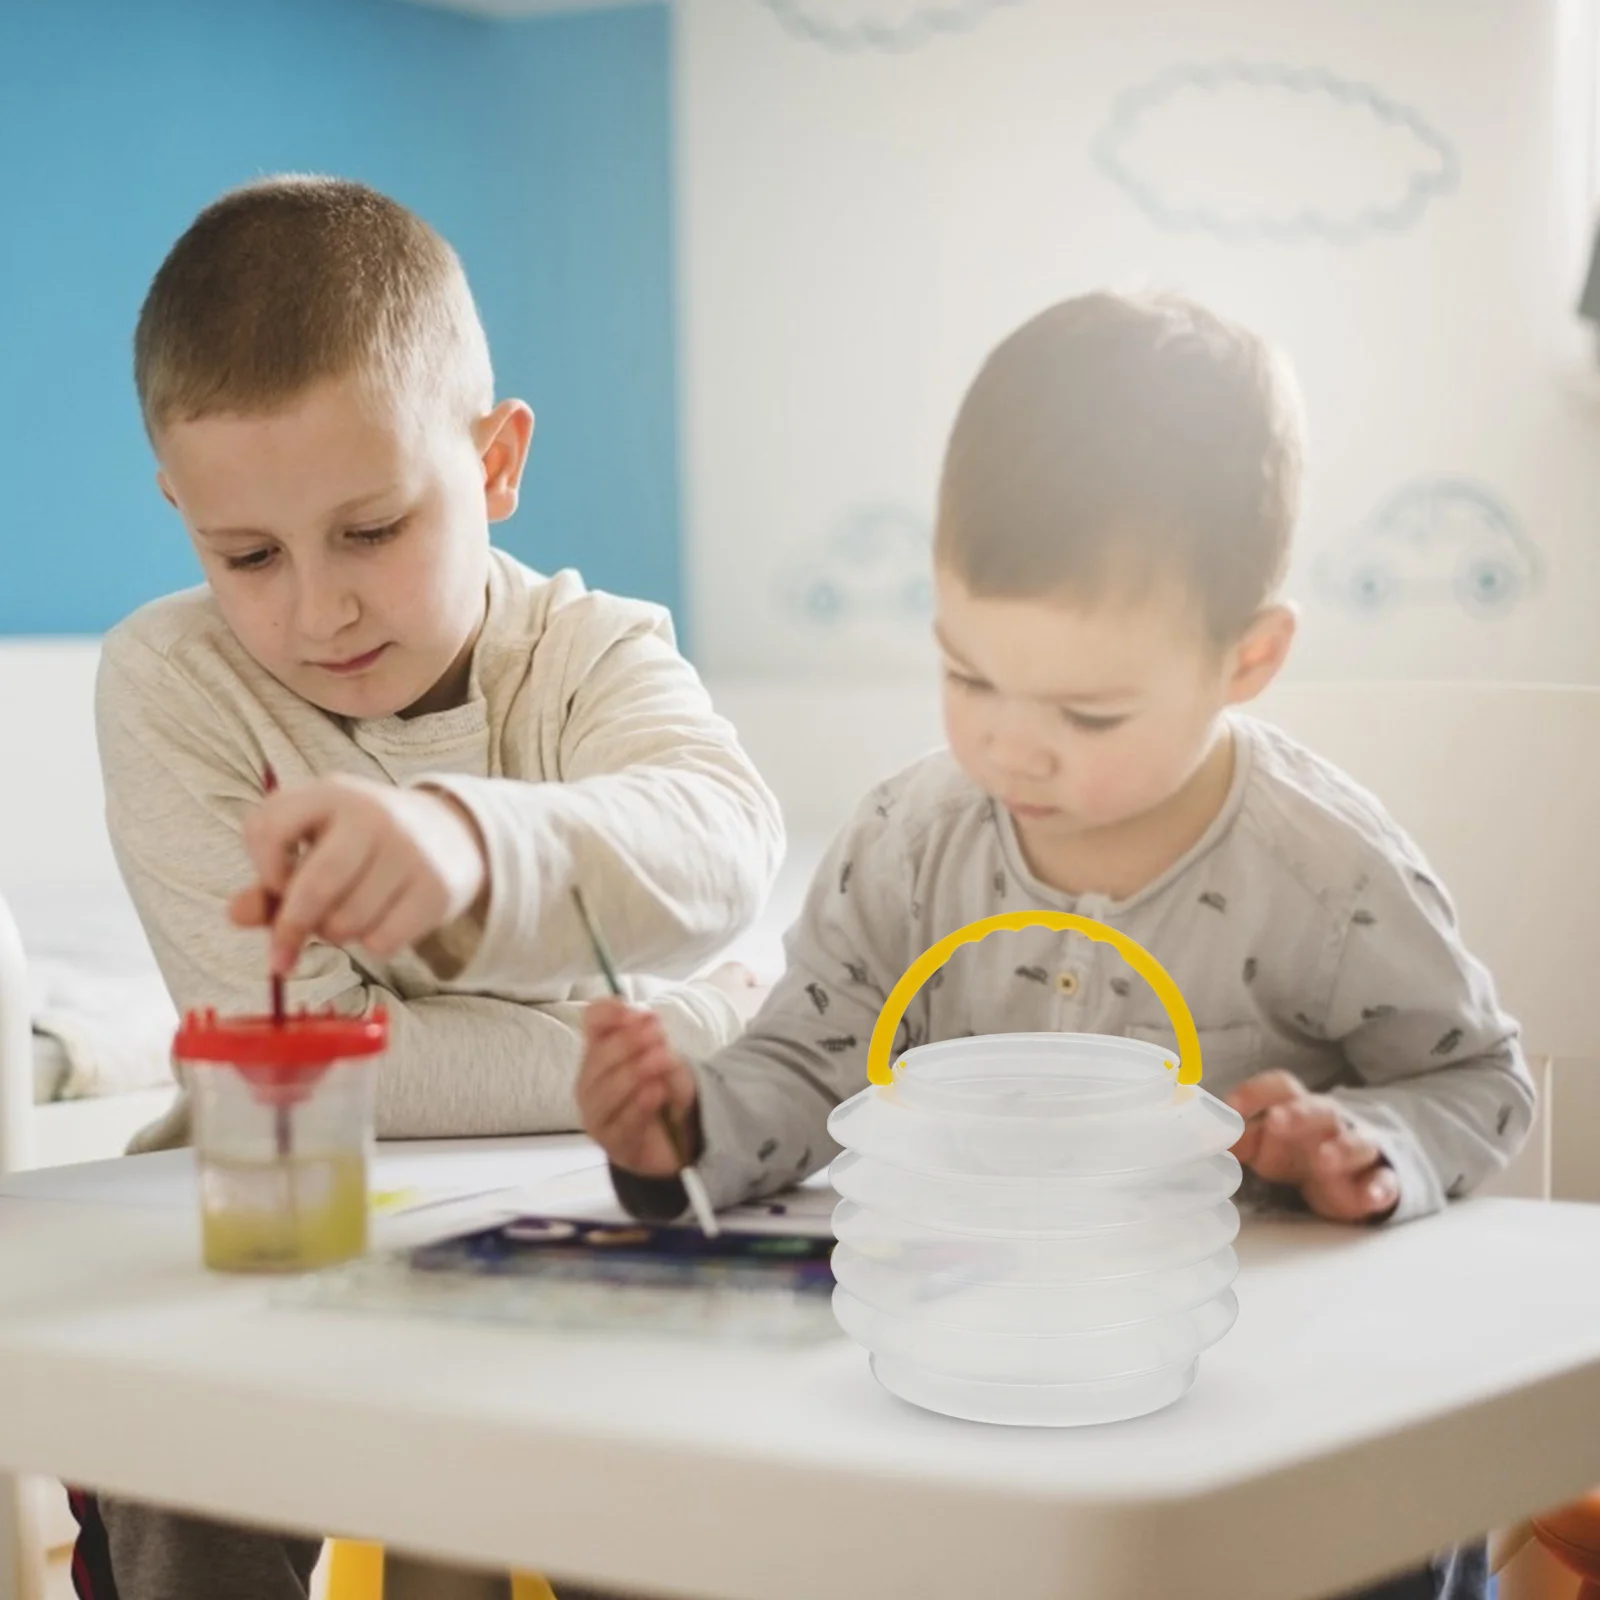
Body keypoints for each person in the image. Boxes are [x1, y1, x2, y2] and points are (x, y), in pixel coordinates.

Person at [577, 291, 1531, 1600]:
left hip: (1262, 1412)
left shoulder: (1326, 874)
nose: (1009, 745)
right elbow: (807, 1065)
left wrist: (1368, 1145)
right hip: (995, 1387)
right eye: (967, 674)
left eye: (1086, 709)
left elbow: (1478, 1081)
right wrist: (679, 1129)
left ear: (1247, 659)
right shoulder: (913, 840)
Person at [71, 173, 780, 1600]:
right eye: (245, 555)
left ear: (496, 461)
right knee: (170, 1439)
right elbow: (298, 1077)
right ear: (180, 510)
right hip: (283, 1224)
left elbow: (726, 847)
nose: (317, 608)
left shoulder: (591, 653)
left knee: (660, 1474)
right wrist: (703, 1038)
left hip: (575, 1222)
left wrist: (472, 840)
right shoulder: (173, 680)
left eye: (374, 530)